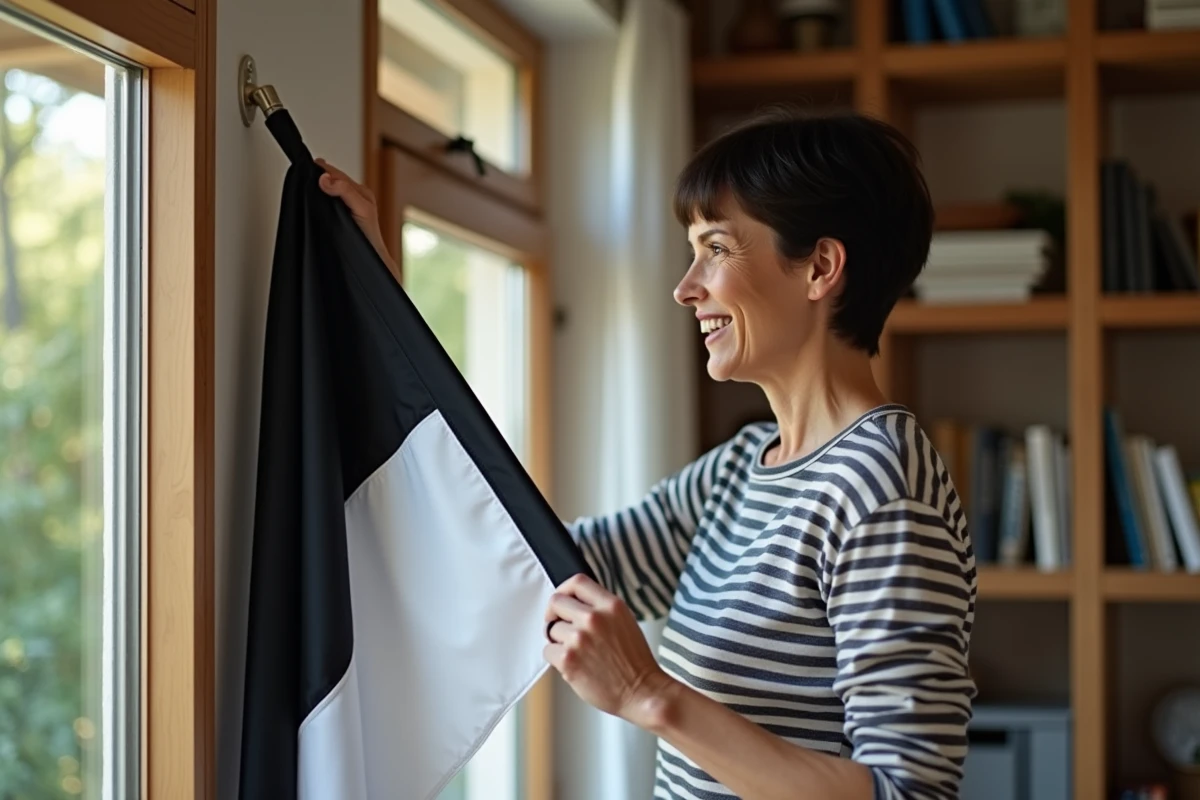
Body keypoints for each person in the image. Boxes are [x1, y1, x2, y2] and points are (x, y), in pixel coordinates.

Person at [317, 106, 977, 800]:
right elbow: (537, 565)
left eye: (716, 248)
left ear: (819, 267)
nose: (686, 287)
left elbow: (907, 793)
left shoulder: (881, 492)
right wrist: (382, 301)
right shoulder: (741, 467)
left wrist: (648, 694)